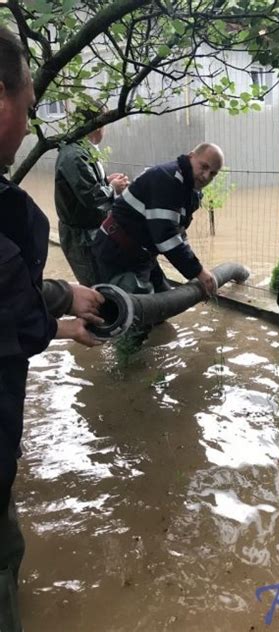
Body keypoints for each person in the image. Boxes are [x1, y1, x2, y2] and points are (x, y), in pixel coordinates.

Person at [0, 27, 104, 631]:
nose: (29, 124)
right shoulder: (70, 157)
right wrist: (64, 303)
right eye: (30, 107)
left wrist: (65, 315)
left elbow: (5, 306)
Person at [92, 143, 224, 297]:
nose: (206, 176)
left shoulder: (188, 188)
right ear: (191, 156)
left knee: (162, 305)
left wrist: (197, 269)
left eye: (213, 173)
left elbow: (177, 232)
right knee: (131, 313)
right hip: (116, 252)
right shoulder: (167, 180)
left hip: (140, 254)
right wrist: (199, 272)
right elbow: (166, 237)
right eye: (204, 166)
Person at [54, 104, 129, 286]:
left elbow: (85, 187)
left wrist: (105, 181)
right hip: (81, 236)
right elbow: (91, 197)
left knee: (104, 280)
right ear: (98, 126)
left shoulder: (82, 150)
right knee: (95, 284)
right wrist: (112, 188)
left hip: (89, 231)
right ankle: (103, 313)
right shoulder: (75, 155)